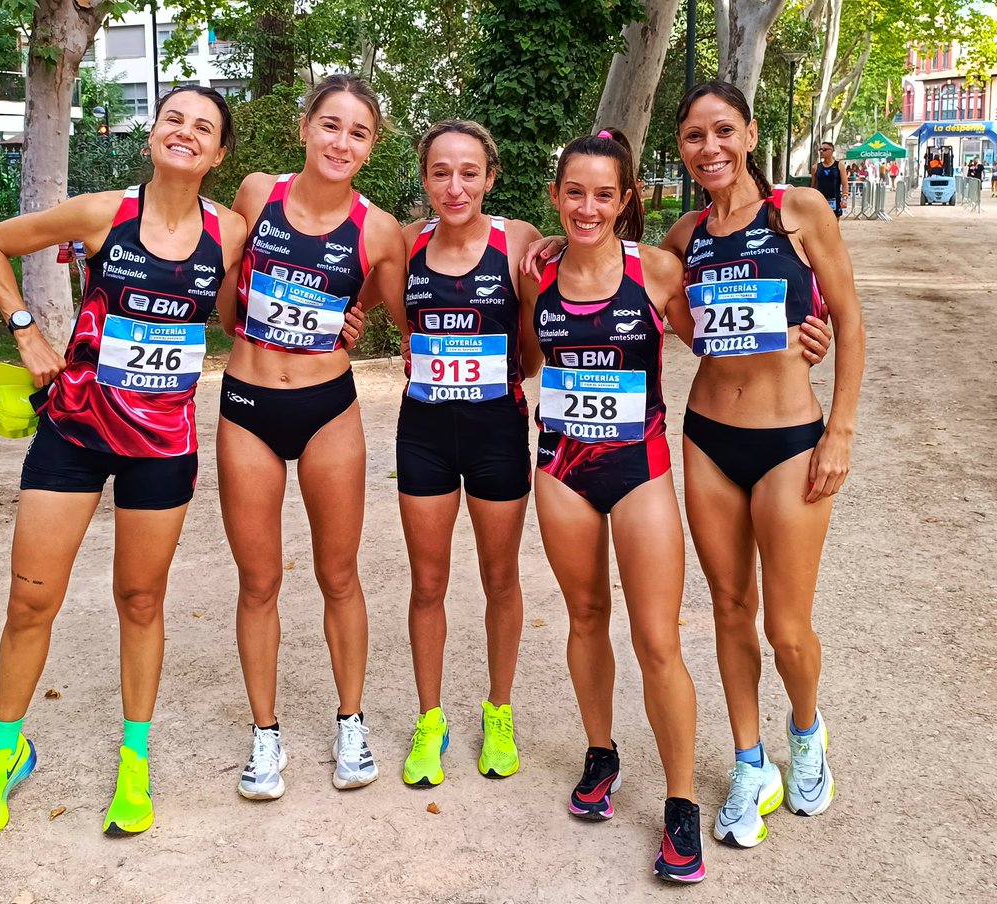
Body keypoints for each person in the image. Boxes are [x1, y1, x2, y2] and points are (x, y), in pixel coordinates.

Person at [0, 85, 246, 843]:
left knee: (142, 602)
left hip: (163, 445)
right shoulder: (101, 215)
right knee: (30, 601)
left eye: (202, 128)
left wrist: (338, 320)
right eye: (173, 119)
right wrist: (25, 331)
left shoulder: (232, 231)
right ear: (153, 135)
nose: (184, 133)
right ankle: (3, 753)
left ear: (218, 155)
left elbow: (242, 313)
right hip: (76, 432)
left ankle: (135, 760)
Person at [661, 80, 864, 849]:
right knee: (726, 606)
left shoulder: (800, 211)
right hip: (709, 437)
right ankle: (752, 762)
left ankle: (806, 730)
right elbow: (622, 263)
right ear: (680, 149)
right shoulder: (684, 235)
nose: (708, 148)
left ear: (748, 134)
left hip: (791, 440)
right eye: (692, 136)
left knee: (785, 626)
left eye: (722, 131)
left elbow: (847, 318)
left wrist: (839, 426)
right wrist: (548, 248)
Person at [217, 73, 407, 800]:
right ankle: (265, 737)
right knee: (259, 581)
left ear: (371, 146)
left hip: (329, 406)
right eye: (331, 125)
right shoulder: (257, 194)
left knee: (339, 574)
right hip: (248, 405)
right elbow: (224, 292)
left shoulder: (379, 229)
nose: (341, 141)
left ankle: (350, 721)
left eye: (357, 132)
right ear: (305, 127)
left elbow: (409, 315)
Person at [526, 129, 706, 883]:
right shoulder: (531, 270)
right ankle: (601, 752)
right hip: (562, 467)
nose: (588, 207)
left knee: (656, 638)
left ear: (627, 200)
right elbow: (517, 353)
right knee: (586, 617)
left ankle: (682, 801)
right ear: (556, 196)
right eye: (575, 193)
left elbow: (719, 343)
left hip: (640, 467)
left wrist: (800, 336)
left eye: (605, 194)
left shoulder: (657, 271)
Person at [394, 120, 543, 788]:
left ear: (491, 176)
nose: (455, 186)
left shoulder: (519, 242)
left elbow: (535, 341)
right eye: (441, 173)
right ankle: (431, 720)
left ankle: (499, 710)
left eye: (469, 172)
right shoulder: (406, 242)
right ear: (424, 178)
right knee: (427, 583)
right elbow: (393, 314)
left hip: (497, 432)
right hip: (425, 430)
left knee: (500, 578)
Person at [812, 141, 847, 217]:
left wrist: (844, 198)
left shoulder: (839, 165)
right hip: (820, 200)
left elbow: (845, 184)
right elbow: (813, 186)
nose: (821, 151)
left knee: (834, 224)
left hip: (834, 200)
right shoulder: (815, 167)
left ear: (832, 151)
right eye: (820, 149)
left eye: (824, 149)